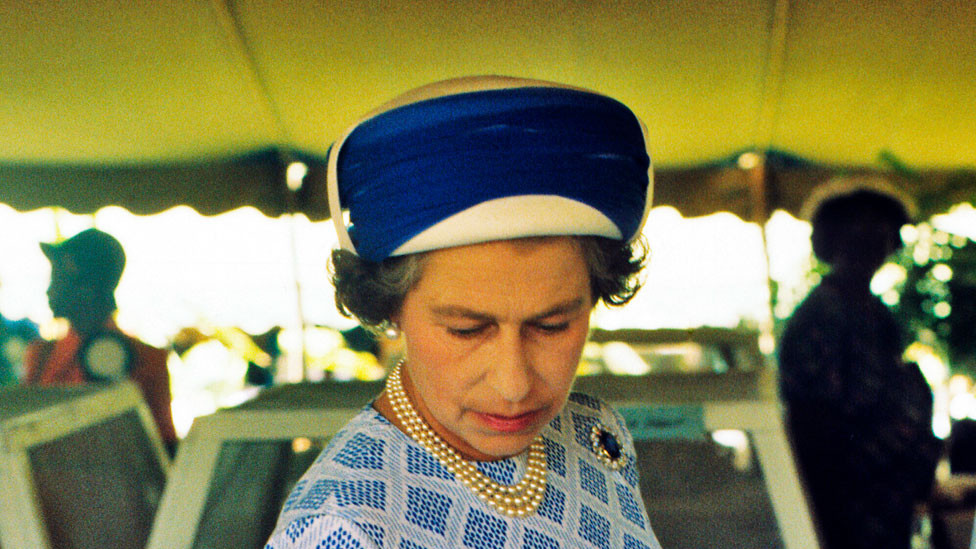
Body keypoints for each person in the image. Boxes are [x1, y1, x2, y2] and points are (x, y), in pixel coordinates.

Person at [264, 76, 661, 548]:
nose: (514, 384)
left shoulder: (595, 435)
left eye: (552, 325)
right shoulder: (343, 530)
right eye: (467, 329)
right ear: (390, 307)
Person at [777, 177, 942, 549]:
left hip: (886, 500)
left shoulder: (876, 313)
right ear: (831, 240)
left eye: (881, 230)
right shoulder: (820, 316)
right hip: (848, 504)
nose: (870, 240)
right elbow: (814, 423)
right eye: (857, 230)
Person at [22, 228, 178, 454]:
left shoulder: (148, 361)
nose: (49, 291)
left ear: (87, 289)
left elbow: (164, 445)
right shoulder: (40, 355)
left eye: (58, 279)